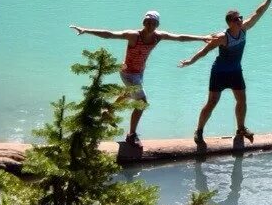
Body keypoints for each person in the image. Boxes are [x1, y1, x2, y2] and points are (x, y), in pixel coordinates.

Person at [70, 11, 211, 146]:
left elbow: (180, 38)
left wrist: (201, 38)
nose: (150, 26)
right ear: (144, 22)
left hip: (139, 72)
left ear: (157, 25)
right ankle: (131, 135)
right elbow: (110, 35)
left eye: (153, 23)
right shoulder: (134, 36)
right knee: (142, 102)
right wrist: (86, 30)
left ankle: (109, 110)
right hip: (127, 73)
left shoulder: (158, 36)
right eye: (148, 22)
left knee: (129, 94)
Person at [179, 0, 272, 144]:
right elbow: (205, 50)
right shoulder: (222, 37)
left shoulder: (244, 29)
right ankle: (199, 131)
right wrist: (191, 61)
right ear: (230, 23)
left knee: (242, 101)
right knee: (212, 103)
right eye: (236, 19)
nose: (240, 20)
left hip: (236, 72)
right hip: (219, 72)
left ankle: (240, 128)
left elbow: (258, 12)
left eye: (240, 17)